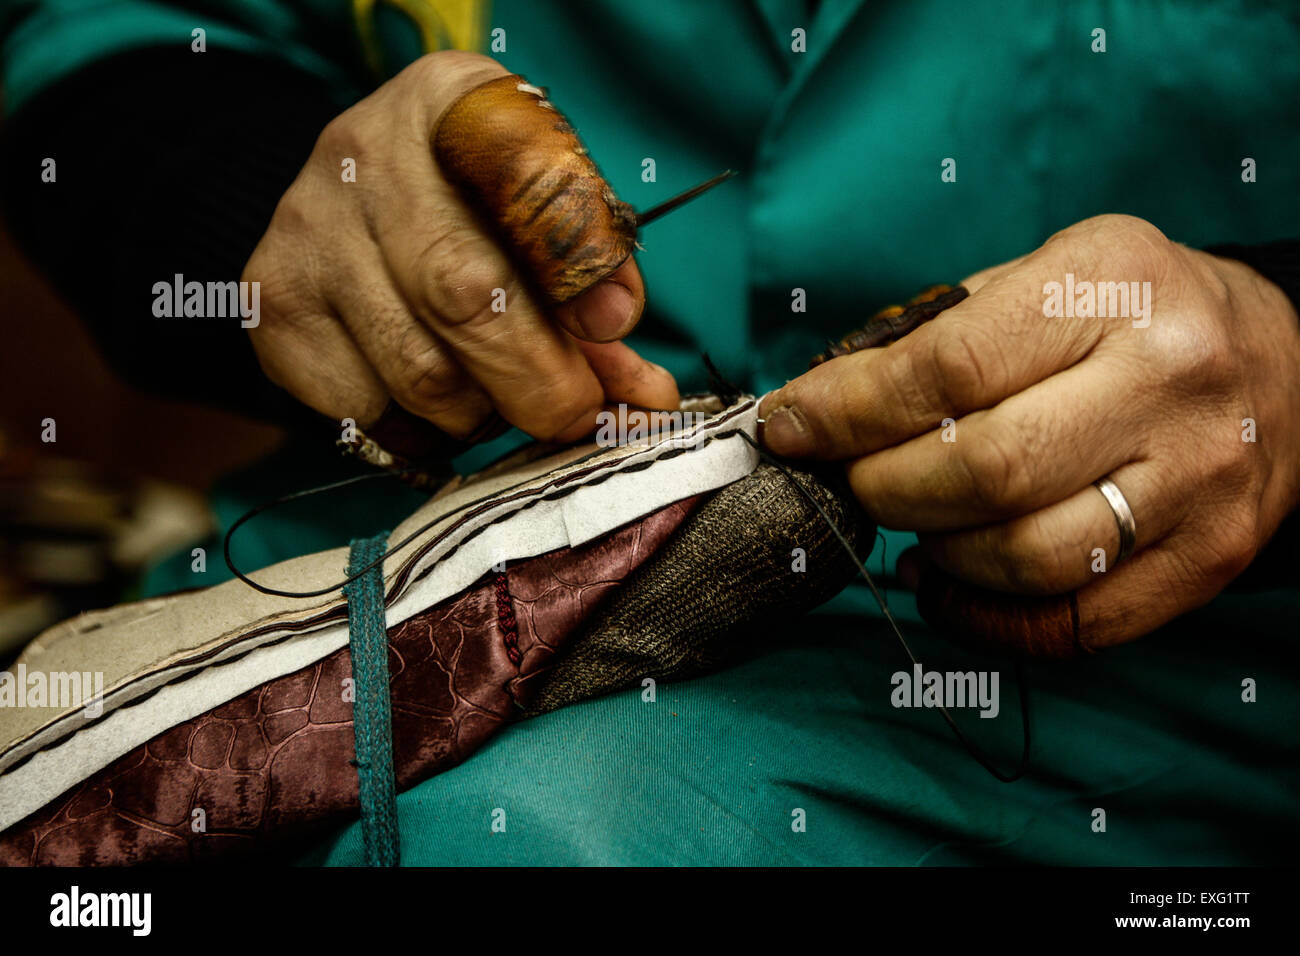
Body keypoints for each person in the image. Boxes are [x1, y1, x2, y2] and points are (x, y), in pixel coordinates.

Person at [2, 0, 1298, 865]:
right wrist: (285, 211)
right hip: (387, 538)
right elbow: (100, 34)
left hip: (1148, 702)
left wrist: (1285, 355)